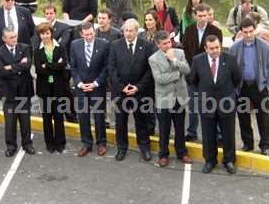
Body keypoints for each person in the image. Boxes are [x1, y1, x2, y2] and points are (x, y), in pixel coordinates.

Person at [190, 35, 241, 174]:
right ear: (206, 48)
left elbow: (237, 79)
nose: (215, 51)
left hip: (227, 103)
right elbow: (193, 81)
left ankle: (229, 161)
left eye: (217, 47)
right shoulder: (197, 60)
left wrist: (232, 96)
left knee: (228, 134)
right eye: (211, 48)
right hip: (206, 104)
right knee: (208, 135)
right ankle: (210, 160)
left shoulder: (230, 59)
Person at [108, 18, 156, 161]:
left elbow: (149, 70)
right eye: (125, 31)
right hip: (121, 92)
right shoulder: (115, 45)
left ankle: (144, 148)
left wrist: (138, 87)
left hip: (139, 92)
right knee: (120, 122)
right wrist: (122, 88)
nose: (128, 34)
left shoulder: (146, 46)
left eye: (131, 31)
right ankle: (122, 148)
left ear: (137, 31)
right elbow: (112, 68)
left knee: (141, 122)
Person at [229, 17, 269, 156]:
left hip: (259, 86)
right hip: (242, 86)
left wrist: (268, 86)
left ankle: (264, 145)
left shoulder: (264, 46)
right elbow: (231, 69)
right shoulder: (234, 47)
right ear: (240, 32)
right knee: (243, 116)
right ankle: (248, 144)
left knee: (263, 117)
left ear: (255, 30)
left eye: (250, 31)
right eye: (245, 32)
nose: (248, 35)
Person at [149, 31, 192, 167]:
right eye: (164, 44)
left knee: (180, 128)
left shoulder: (179, 53)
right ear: (157, 44)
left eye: (169, 42)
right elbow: (159, 79)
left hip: (179, 97)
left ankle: (182, 153)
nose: (168, 45)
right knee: (164, 129)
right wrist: (177, 74)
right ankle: (163, 155)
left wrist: (174, 60)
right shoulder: (153, 59)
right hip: (164, 99)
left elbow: (187, 70)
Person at [182, 3, 223, 142]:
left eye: (205, 15)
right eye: (200, 16)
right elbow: (186, 50)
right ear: (195, 16)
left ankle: (218, 134)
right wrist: (191, 69)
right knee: (193, 106)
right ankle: (192, 131)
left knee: (213, 105)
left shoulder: (216, 31)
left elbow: (217, 53)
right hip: (193, 74)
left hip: (210, 74)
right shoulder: (188, 30)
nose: (203, 18)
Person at [0, 27, 35, 157]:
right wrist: (18, 66)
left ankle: (27, 144)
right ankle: (11, 146)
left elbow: (27, 65)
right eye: (11, 37)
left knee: (25, 121)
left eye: (15, 36)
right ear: (4, 39)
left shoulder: (25, 48)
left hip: (24, 90)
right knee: (10, 122)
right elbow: (0, 71)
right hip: (8, 92)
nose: (14, 39)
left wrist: (10, 67)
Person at [71, 22, 110, 157]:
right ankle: (86, 144)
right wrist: (80, 84)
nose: (89, 37)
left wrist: (95, 83)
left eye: (91, 34)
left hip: (97, 87)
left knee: (99, 116)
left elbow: (106, 67)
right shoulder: (75, 45)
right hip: (81, 88)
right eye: (86, 35)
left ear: (95, 32)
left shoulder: (104, 45)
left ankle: (101, 143)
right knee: (83, 117)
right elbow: (73, 67)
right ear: (81, 34)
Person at [33, 23, 67, 153]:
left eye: (47, 33)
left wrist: (46, 65)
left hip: (59, 87)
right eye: (42, 34)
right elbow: (38, 70)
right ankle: (50, 143)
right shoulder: (37, 50)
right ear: (39, 35)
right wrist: (54, 65)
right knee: (47, 116)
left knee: (59, 115)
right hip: (44, 88)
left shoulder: (61, 47)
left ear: (51, 33)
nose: (45, 36)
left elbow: (63, 64)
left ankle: (60, 142)